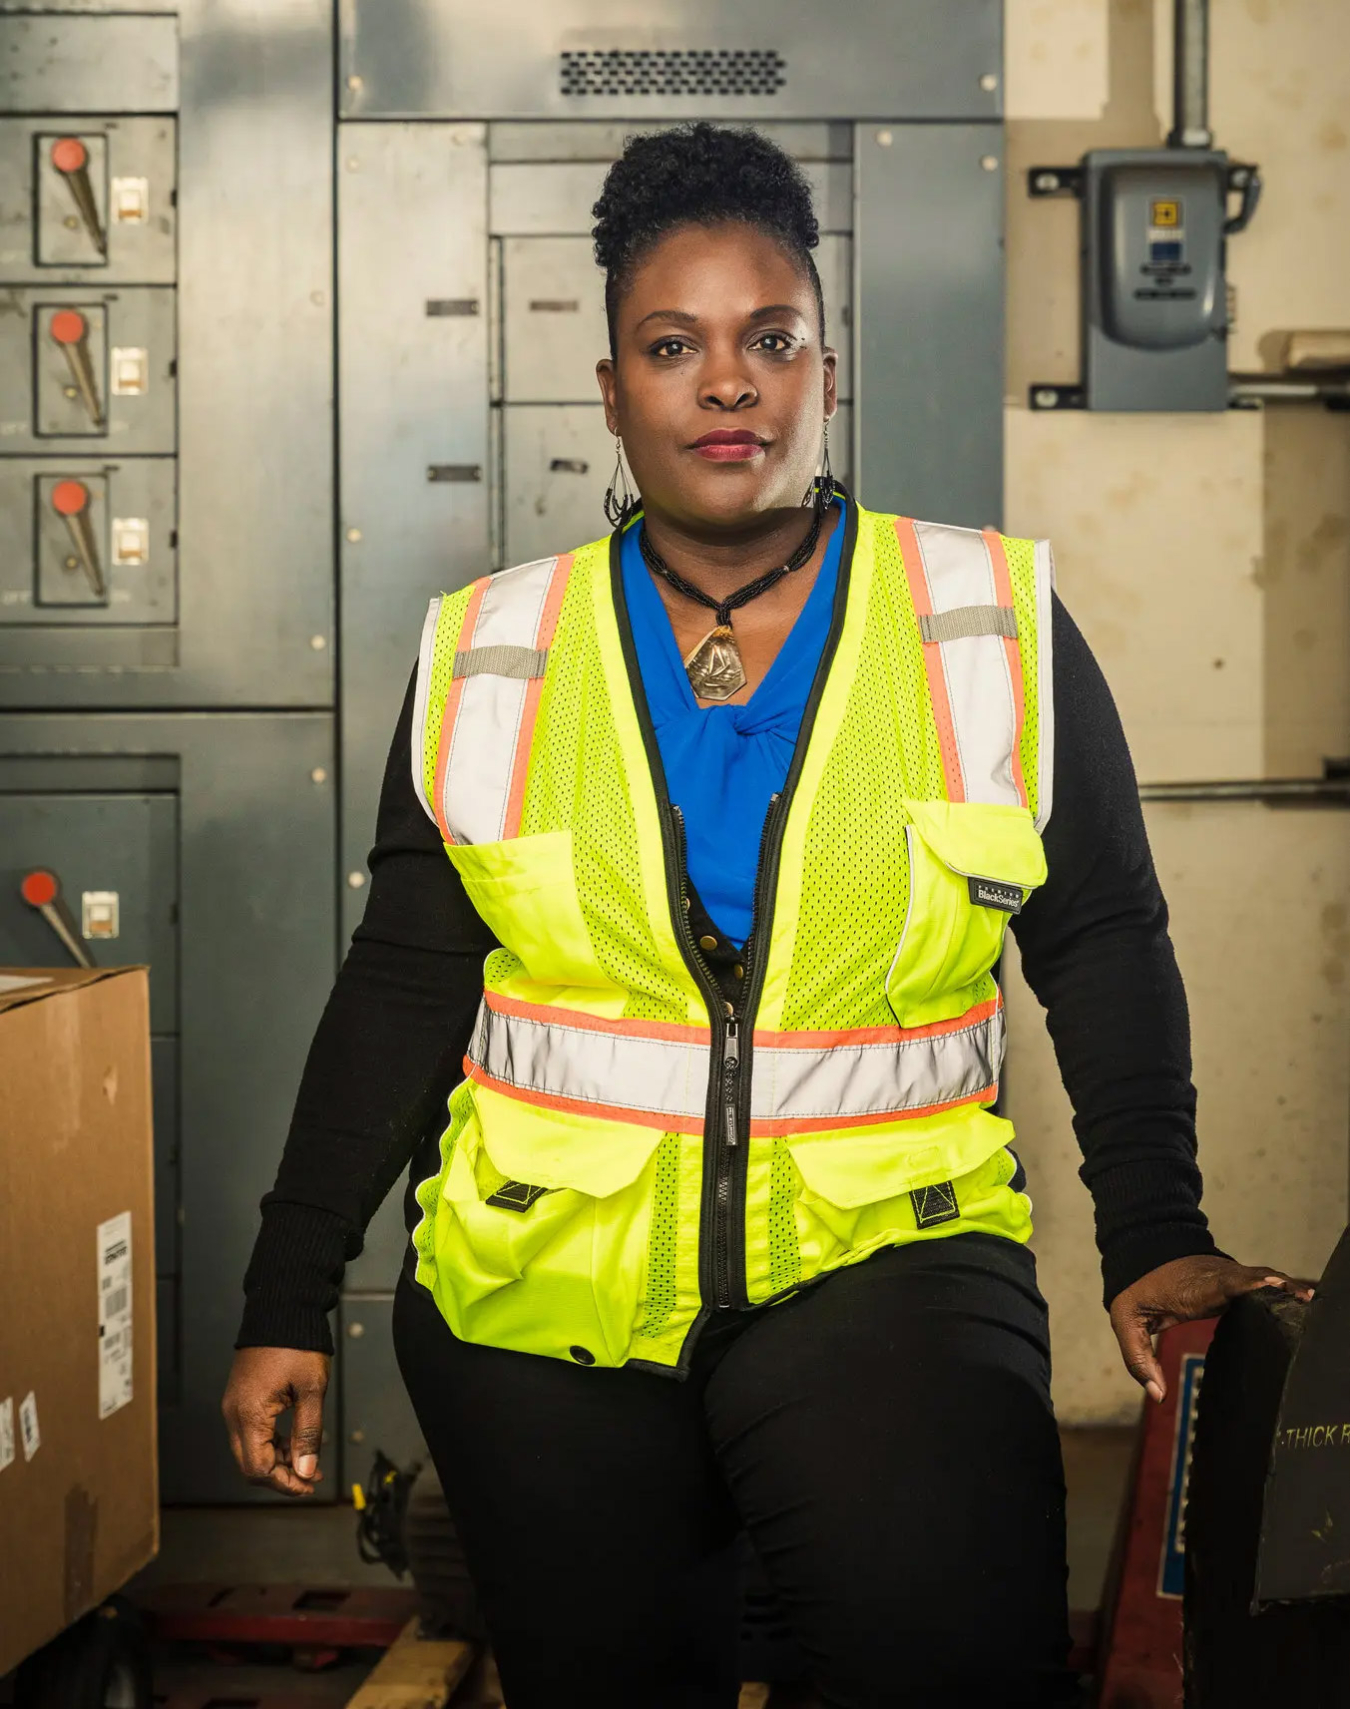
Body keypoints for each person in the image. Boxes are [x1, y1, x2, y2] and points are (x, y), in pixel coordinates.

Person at [223, 124, 1311, 1708]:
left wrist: (1150, 1229)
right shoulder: (491, 648)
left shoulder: (981, 620)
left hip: (886, 1260)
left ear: (821, 364)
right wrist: (286, 1291)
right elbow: (403, 977)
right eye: (673, 347)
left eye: (769, 339)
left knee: (945, 1667)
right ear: (611, 389)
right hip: (545, 1292)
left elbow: (1100, 937)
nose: (727, 383)